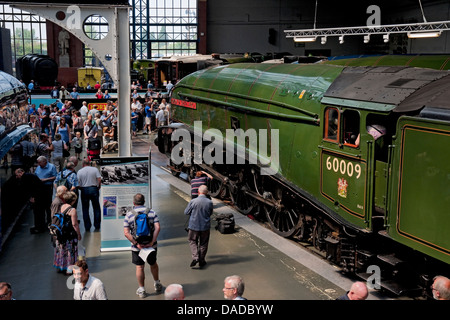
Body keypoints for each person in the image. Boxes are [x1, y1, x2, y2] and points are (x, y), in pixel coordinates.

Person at [123, 193, 162, 298]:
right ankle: (157, 284)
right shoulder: (152, 212)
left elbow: (126, 232)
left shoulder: (129, 214)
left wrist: (136, 244)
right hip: (151, 246)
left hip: (137, 247)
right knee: (153, 264)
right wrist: (152, 242)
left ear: (134, 203)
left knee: (140, 267)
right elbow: (157, 227)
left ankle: (142, 290)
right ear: (144, 201)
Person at [184, 185, 213, 268]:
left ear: (198, 192)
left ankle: (195, 257)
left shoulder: (193, 201)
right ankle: (201, 260)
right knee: (203, 243)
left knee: (192, 240)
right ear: (206, 193)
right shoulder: (209, 202)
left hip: (193, 226)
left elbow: (186, 212)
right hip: (205, 226)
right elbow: (210, 213)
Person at [53, 191, 82, 273]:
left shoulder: (61, 206)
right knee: (70, 251)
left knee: (62, 250)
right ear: (73, 200)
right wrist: (78, 234)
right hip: (69, 234)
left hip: (61, 233)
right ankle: (69, 269)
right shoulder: (72, 210)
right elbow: (74, 224)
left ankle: (61, 266)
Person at [77, 159, 101, 232]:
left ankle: (87, 226)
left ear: (83, 164)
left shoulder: (80, 171)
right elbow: (99, 179)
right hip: (94, 189)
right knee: (96, 208)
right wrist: (98, 186)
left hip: (84, 190)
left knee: (85, 209)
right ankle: (97, 225)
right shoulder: (95, 169)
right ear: (89, 163)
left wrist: (81, 188)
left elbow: (78, 182)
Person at [35, 156, 57, 228]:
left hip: (47, 187)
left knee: (48, 204)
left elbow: (55, 177)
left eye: (39, 163)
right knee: (40, 205)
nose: (38, 164)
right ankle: (42, 222)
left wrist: (45, 179)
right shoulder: (38, 168)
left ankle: (49, 220)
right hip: (39, 188)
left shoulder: (51, 167)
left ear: (44, 162)